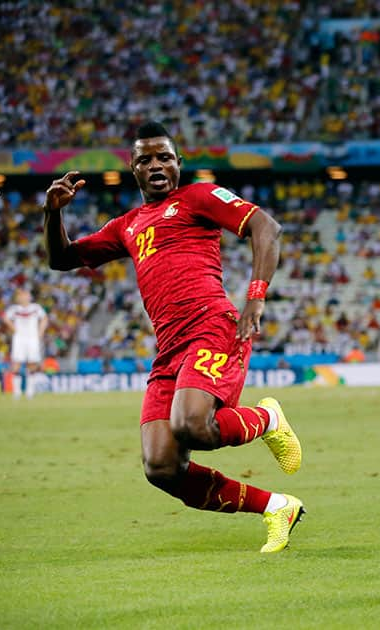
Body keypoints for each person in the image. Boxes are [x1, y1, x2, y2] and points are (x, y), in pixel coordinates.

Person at [42, 121, 304, 553]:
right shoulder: (126, 226)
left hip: (214, 327)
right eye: (145, 159)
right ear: (134, 170)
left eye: (164, 156)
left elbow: (267, 227)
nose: (156, 165)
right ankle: (277, 507)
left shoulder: (199, 197)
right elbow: (62, 258)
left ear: (179, 163)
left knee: (191, 425)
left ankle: (268, 419)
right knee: (161, 465)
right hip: (170, 351)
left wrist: (255, 298)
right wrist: (53, 213)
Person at [2, 288, 48, 398]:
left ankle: (29, 391)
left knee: (32, 363)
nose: (24, 297)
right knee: (17, 363)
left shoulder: (36, 308)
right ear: (18, 297)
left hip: (32, 338)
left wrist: (40, 332)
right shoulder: (14, 309)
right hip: (19, 339)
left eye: (26, 295)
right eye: (22, 295)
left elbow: (45, 318)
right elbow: (5, 318)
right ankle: (16, 392)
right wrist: (14, 329)